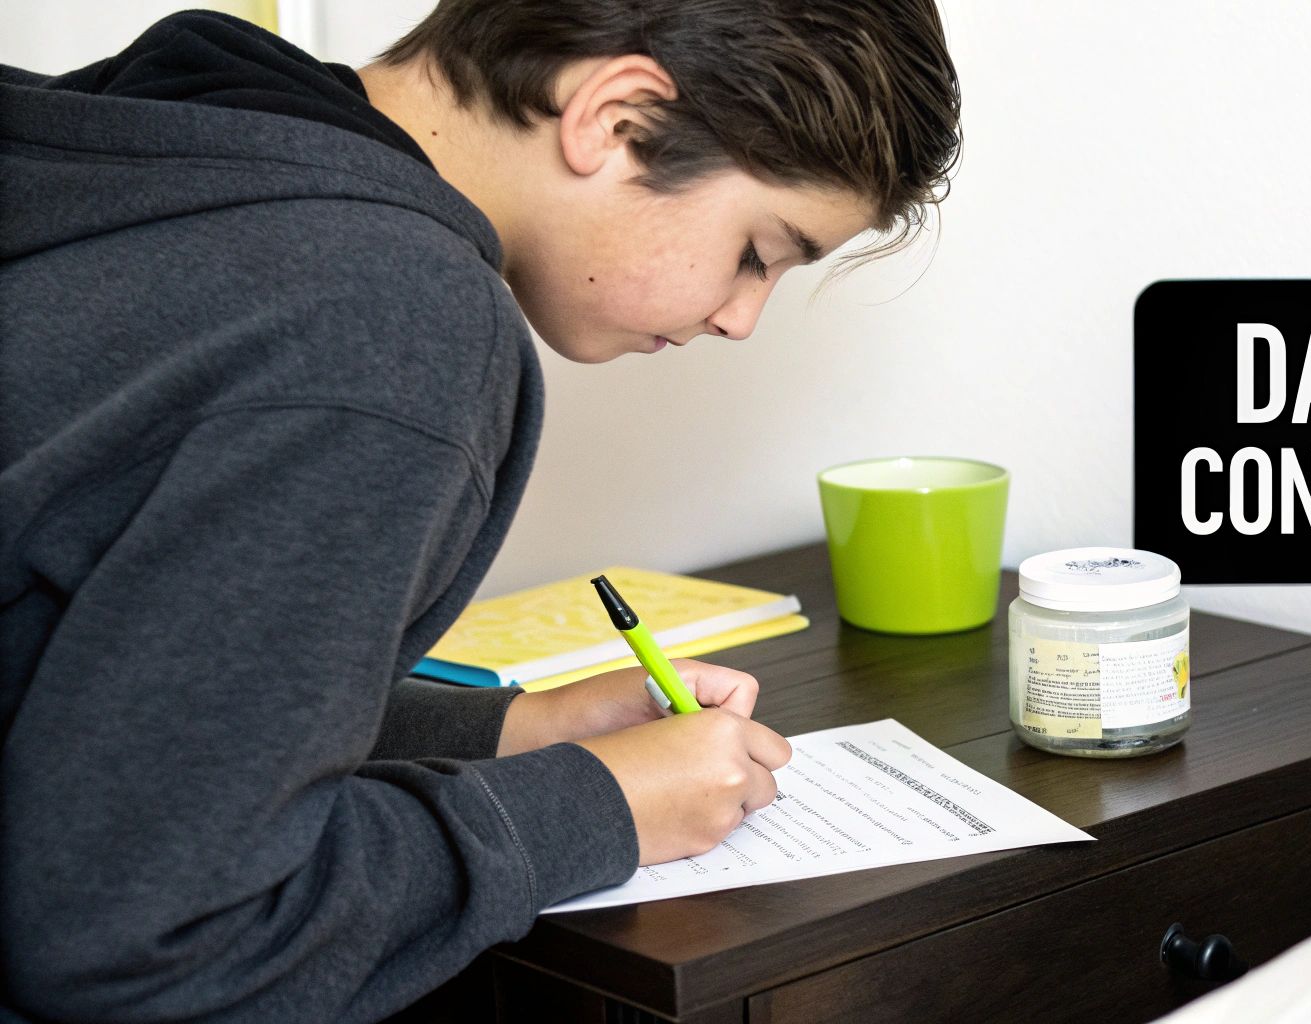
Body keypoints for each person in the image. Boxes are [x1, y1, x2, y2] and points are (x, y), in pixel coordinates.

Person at [0, 2, 960, 1020]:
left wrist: (511, 727)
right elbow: (150, 934)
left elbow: (120, 700)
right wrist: (599, 808)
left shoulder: (169, 138)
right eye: (758, 252)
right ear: (616, 116)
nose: (738, 316)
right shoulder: (385, 314)